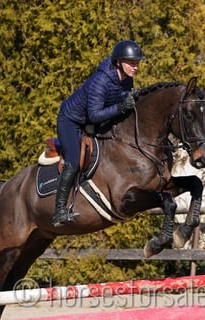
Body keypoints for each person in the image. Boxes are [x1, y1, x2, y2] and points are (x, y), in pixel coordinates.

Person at [52, 40, 146, 227]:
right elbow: (95, 114)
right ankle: (59, 210)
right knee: (73, 159)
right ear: (119, 62)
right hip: (70, 121)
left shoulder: (127, 78)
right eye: (131, 63)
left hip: (92, 122)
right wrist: (121, 107)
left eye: (137, 63)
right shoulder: (100, 81)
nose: (135, 67)